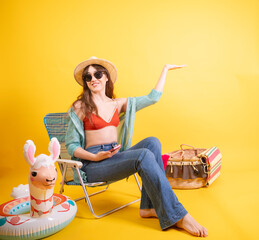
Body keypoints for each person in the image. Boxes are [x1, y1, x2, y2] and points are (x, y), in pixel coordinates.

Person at [65, 56, 208, 237]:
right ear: (85, 82)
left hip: (113, 156)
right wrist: (94, 157)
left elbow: (152, 98)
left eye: (98, 74)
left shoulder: (117, 104)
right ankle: (178, 215)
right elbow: (71, 145)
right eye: (88, 76)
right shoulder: (80, 106)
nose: (93, 79)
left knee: (152, 142)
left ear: (106, 77)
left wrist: (165, 69)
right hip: (92, 164)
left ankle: (148, 207)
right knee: (143, 155)